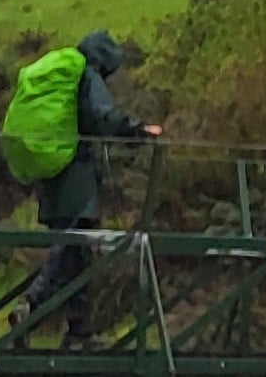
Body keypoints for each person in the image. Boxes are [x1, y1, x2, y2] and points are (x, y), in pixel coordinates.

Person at [16, 31, 159, 347]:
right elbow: (101, 115)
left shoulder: (63, 75)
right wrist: (136, 130)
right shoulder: (87, 75)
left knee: (76, 251)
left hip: (51, 170)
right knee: (72, 243)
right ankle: (33, 303)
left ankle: (78, 330)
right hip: (76, 175)